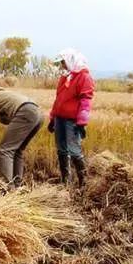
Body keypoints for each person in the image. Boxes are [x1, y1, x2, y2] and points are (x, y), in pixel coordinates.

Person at [48, 49, 94, 187]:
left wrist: (82, 123)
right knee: (61, 150)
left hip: (72, 121)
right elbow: (58, 100)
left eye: (63, 62)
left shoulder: (84, 77)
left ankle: (83, 183)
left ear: (71, 60)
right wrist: (52, 119)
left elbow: (86, 101)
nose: (62, 65)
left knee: (74, 150)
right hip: (59, 119)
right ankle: (65, 182)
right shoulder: (65, 77)